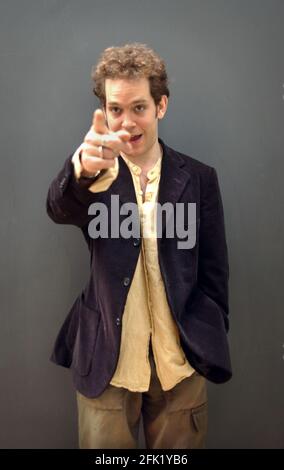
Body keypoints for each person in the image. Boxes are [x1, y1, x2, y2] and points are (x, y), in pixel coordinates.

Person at [46, 42, 232, 449]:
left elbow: (215, 271)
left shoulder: (199, 178)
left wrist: (208, 332)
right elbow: (59, 208)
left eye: (139, 108)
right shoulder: (95, 173)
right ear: (105, 111)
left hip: (179, 366)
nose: (127, 122)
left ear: (160, 106)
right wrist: (80, 169)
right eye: (116, 109)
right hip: (107, 364)